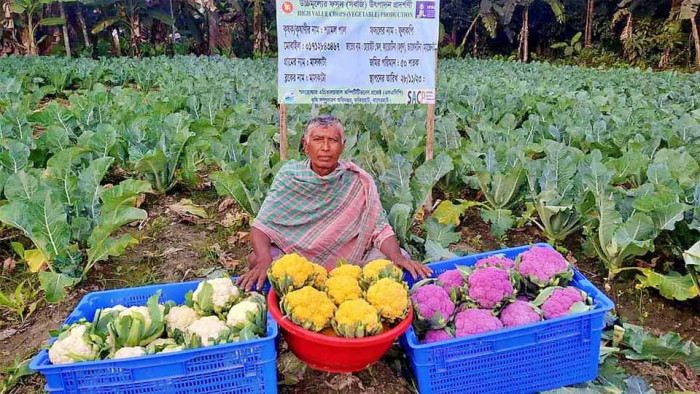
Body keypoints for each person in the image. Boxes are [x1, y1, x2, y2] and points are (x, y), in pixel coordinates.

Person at [237, 115, 432, 290]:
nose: (325, 148)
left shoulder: (357, 180)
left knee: (398, 261)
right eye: (318, 140)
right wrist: (264, 261)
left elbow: (380, 229)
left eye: (333, 140)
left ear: (343, 146)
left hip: (351, 262)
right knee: (257, 259)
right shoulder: (289, 176)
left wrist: (396, 257)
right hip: (299, 260)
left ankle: (343, 284)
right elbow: (262, 226)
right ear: (306, 146)